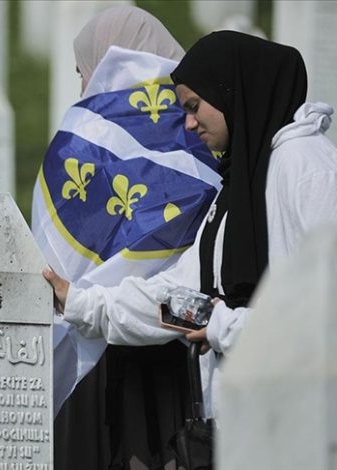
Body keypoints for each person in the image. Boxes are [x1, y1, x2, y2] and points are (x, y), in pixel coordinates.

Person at [43, 31, 337, 422]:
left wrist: (226, 326)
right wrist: (82, 303)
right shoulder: (242, 186)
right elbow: (185, 298)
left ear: (231, 91)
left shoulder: (309, 168)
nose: (189, 123)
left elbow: (335, 316)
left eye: (195, 105)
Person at [33, 6, 220, 470]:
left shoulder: (83, 134)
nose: (83, 86)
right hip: (175, 344)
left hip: (92, 356)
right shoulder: (201, 129)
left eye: (84, 70)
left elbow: (49, 258)